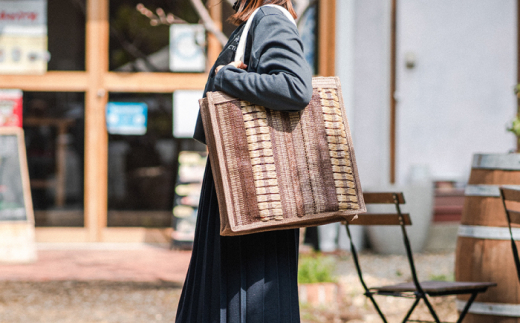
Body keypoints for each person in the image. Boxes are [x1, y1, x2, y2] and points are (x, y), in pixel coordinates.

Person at [176, 0, 312, 322]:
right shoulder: (255, 21)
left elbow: (295, 88)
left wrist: (225, 78)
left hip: (254, 186)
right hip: (242, 183)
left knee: (245, 294)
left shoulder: (269, 17)